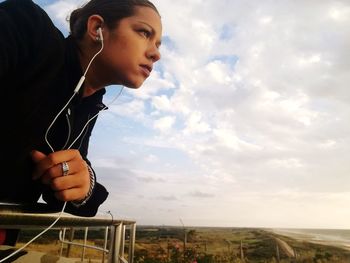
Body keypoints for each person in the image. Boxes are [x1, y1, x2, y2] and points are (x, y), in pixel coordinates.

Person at [0, 0, 162, 245]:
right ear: (97, 28)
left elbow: (71, 190)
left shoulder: (88, 105)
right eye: (144, 33)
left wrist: (83, 184)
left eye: (158, 43)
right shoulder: (28, 28)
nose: (156, 53)